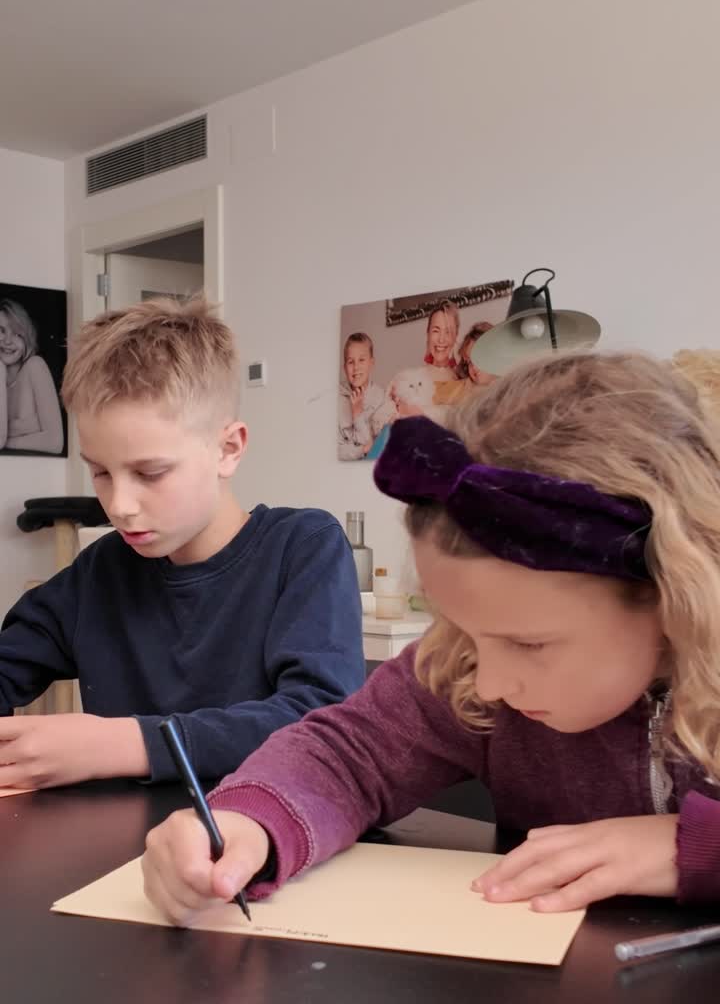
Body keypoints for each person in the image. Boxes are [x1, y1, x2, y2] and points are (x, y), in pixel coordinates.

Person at [142, 348, 720, 924]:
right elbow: (348, 755)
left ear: (670, 594)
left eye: (529, 644)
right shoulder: (463, 668)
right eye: (464, 630)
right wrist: (251, 823)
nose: (488, 684)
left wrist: (690, 846)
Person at [0, 296, 365, 789]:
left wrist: (128, 745)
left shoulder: (303, 548)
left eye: (150, 472)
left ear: (228, 449)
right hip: (124, 850)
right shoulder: (102, 569)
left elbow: (318, 720)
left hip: (261, 843)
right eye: (101, 472)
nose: (120, 505)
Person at [0, 300, 64, 454]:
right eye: (1, 330)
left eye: (17, 334)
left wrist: (8, 437)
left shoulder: (35, 366)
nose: (8, 341)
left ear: (27, 338)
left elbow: (55, 443)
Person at [338, 332, 394, 460]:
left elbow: (374, 450)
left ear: (371, 363)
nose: (356, 367)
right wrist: (362, 449)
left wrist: (358, 415)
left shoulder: (381, 398)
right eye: (350, 362)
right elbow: (336, 450)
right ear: (344, 367)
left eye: (361, 360)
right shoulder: (335, 399)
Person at [434, 321, 496, 407]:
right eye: (469, 362)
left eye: (477, 358)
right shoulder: (467, 386)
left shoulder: (511, 382)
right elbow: (432, 390)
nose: (473, 366)